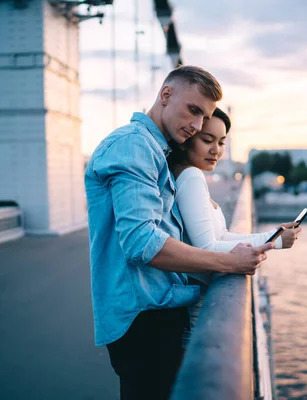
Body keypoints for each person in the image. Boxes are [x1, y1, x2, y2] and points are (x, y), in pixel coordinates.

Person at [84, 65, 275, 400]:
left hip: (154, 313)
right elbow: (142, 243)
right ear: (166, 94)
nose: (197, 124)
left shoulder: (153, 150)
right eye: (194, 110)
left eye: (205, 117)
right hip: (144, 318)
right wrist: (228, 263)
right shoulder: (134, 147)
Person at [167, 108, 302, 340]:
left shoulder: (189, 175)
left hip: (201, 300)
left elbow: (221, 237)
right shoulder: (190, 177)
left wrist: (273, 235)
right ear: (188, 138)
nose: (216, 150)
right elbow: (207, 248)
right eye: (207, 140)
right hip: (200, 307)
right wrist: (274, 242)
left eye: (221, 143)